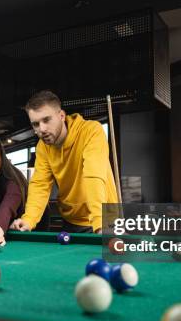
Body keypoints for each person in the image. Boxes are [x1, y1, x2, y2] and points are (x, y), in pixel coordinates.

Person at [11, 90, 117, 233]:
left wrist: (100, 223)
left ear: (61, 116)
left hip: (105, 217)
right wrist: (29, 219)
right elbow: (40, 185)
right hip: (71, 220)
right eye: (35, 124)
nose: (41, 129)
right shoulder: (43, 147)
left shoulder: (91, 131)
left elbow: (94, 176)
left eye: (46, 120)